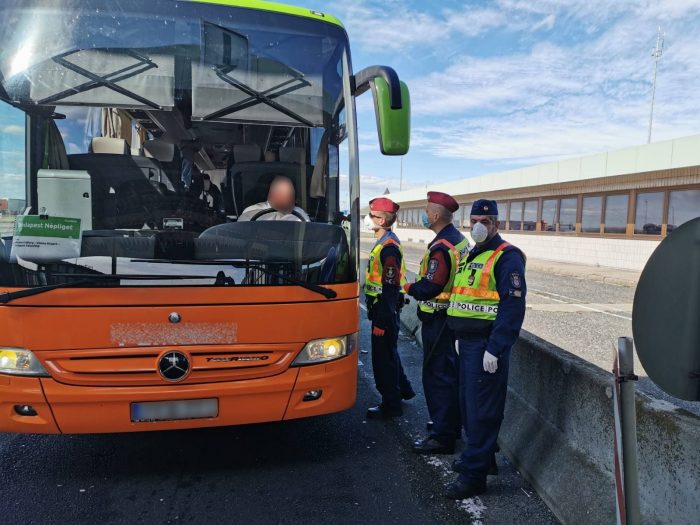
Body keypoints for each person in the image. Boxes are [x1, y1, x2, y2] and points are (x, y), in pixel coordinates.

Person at [444, 199, 527, 499]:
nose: (478, 226)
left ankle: (473, 476)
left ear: (496, 224)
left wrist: (496, 347)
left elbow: (512, 306)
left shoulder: (507, 256)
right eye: (474, 221)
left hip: (485, 346)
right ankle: (482, 459)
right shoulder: (473, 253)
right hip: (467, 343)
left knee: (481, 413)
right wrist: (459, 333)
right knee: (469, 409)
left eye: (485, 221)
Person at [403, 192, 470, 454]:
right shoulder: (459, 240)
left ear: (434, 215)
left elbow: (431, 286)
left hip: (439, 321)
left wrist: (409, 286)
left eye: (425, 211)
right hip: (452, 318)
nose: (423, 215)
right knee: (450, 377)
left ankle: (442, 436)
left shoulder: (442, 247)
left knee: (437, 378)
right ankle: (450, 425)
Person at [364, 197, 414, 418]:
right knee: (390, 354)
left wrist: (382, 322)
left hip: (384, 311)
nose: (368, 219)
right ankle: (403, 390)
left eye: (371, 215)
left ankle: (390, 405)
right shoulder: (385, 242)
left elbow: (391, 288)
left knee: (383, 360)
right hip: (383, 309)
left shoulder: (388, 248)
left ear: (382, 220)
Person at [238, 175, 310, 221]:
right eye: (281, 194)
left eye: (290, 194)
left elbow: (307, 235)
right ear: (272, 194)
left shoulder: (300, 214)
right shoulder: (250, 213)